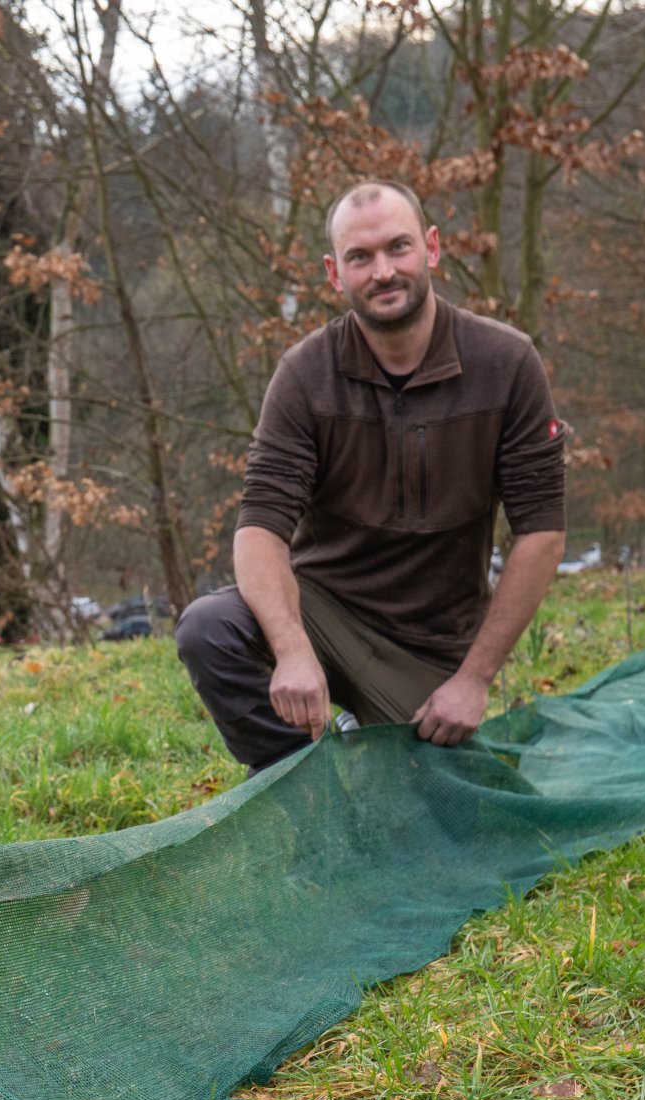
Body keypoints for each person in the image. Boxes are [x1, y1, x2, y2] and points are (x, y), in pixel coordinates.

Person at [176, 180, 567, 770]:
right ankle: (308, 786)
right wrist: (292, 650)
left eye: (398, 248)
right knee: (208, 628)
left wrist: (474, 679)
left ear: (431, 248)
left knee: (441, 823)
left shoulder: (507, 364)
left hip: (432, 644)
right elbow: (259, 528)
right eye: (361, 257)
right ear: (336, 274)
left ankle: (380, 744)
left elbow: (541, 533)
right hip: (323, 608)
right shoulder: (305, 374)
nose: (383, 271)